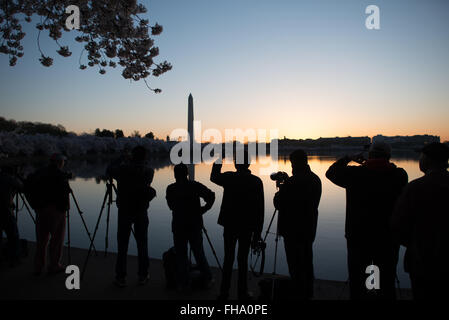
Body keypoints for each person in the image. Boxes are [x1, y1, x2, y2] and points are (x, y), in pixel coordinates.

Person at [326, 141, 408, 300]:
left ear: (370, 155)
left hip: (358, 237)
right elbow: (386, 169)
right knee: (385, 280)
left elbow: (331, 172)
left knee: (358, 281)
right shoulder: (399, 175)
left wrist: (348, 158)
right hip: (387, 238)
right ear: (388, 156)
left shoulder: (354, 174)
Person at [392, 142, 449, 300]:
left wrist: (414, 244)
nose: (419, 160)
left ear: (428, 160)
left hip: (422, 261)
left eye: (421, 156)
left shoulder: (415, 188)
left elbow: (398, 225)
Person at [210, 150, 264, 300]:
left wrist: (219, 159)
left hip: (230, 224)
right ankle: (242, 293)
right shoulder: (256, 181)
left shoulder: (229, 178)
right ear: (249, 163)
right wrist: (258, 233)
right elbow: (260, 210)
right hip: (247, 226)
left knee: (228, 259)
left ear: (235, 163)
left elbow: (214, 176)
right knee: (243, 260)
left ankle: (224, 292)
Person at [273, 149, 322, 299]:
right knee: (307, 263)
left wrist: (281, 188)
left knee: (295, 265)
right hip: (309, 229)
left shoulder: (292, 182)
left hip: (292, 230)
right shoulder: (315, 179)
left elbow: (278, 203)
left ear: (295, 162)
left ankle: (298, 293)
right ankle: (308, 293)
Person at [107, 146, 155, 287]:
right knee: (142, 244)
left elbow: (109, 169)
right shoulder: (149, 171)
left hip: (124, 210)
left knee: (122, 246)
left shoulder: (123, 169)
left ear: (132, 156)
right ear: (145, 157)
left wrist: (122, 157)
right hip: (141, 210)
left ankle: (120, 277)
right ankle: (143, 275)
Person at [166, 163, 215, 291]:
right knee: (199, 253)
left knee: (181, 255)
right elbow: (211, 196)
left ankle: (184, 283)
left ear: (175, 174)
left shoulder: (170, 189)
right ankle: (207, 278)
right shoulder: (195, 186)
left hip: (178, 226)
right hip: (195, 225)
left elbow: (171, 206)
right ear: (187, 174)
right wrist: (203, 209)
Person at [31, 153, 71, 275]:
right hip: (56, 211)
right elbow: (65, 193)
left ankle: (38, 266)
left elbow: (28, 185)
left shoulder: (39, 172)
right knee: (57, 239)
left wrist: (35, 205)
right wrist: (66, 208)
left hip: (40, 210)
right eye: (63, 161)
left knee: (41, 240)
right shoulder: (60, 175)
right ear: (59, 162)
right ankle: (54, 265)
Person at [0, 166, 23, 266]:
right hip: (6, 211)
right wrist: (17, 178)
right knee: (13, 235)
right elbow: (22, 187)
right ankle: (14, 258)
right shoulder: (9, 179)